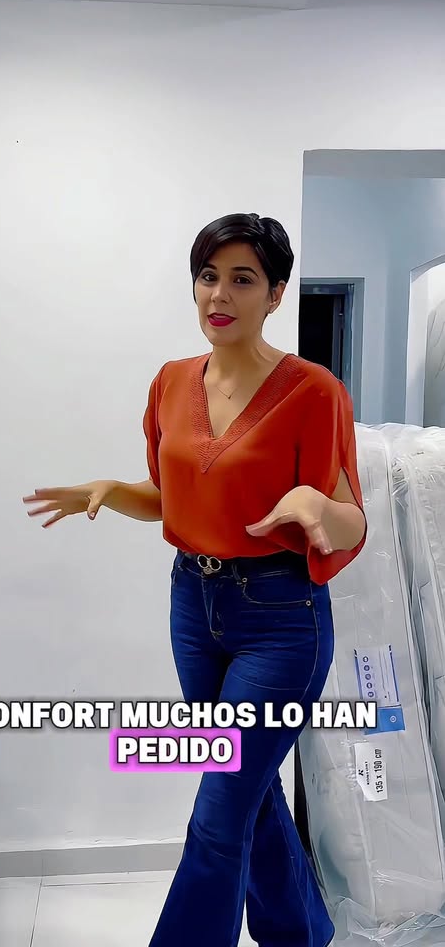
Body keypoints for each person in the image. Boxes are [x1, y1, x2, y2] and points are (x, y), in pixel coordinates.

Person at [23, 212, 367, 947]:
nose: (220, 295)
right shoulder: (172, 382)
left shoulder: (314, 391)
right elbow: (170, 498)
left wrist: (317, 507)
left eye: (243, 279)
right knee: (249, 795)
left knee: (217, 816)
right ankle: (303, 934)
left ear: (276, 294)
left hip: (281, 619)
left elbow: (350, 524)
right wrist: (113, 490)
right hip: (194, 607)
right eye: (209, 277)